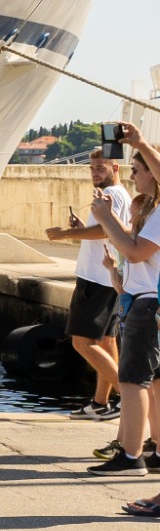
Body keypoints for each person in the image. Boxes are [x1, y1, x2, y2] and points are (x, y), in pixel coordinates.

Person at [88, 121, 160, 478]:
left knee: (132, 380)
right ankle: (157, 448)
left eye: (137, 170)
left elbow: (135, 252)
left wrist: (107, 219)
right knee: (156, 380)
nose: (132, 177)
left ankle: (131, 456)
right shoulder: (153, 210)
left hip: (149, 306)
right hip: (144, 301)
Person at [46, 154, 130, 420]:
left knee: (82, 342)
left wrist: (65, 234)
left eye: (100, 167)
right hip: (108, 277)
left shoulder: (112, 195)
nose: (94, 172)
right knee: (105, 340)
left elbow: (105, 231)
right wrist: (82, 228)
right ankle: (100, 403)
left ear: (115, 168)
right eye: (92, 168)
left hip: (96, 279)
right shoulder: (119, 194)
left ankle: (129, 400)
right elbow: (106, 230)